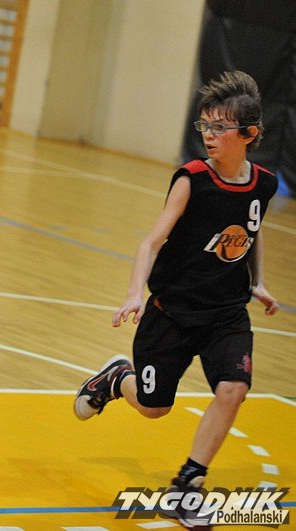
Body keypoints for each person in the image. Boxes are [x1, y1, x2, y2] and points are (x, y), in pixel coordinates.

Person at [74, 71, 279, 528]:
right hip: (172, 312)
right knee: (153, 406)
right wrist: (134, 294)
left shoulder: (264, 184)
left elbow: (252, 230)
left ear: (249, 134)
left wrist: (258, 281)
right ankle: (116, 380)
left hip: (226, 314)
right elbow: (151, 243)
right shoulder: (192, 179)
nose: (208, 135)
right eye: (204, 125)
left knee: (234, 389)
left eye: (219, 127)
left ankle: (187, 485)